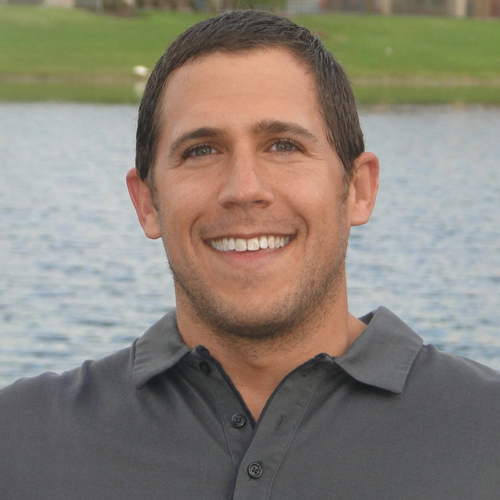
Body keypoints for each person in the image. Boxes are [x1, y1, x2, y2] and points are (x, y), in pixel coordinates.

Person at [1, 10, 499, 500]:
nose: (244, 189)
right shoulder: (22, 441)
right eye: (201, 150)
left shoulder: (485, 430)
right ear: (147, 203)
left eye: (283, 146)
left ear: (358, 190)